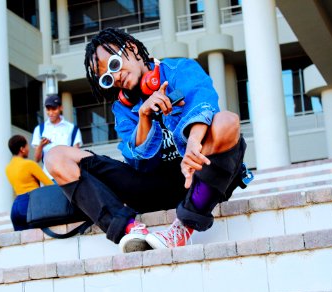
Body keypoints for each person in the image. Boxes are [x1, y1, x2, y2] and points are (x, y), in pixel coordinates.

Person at [44, 27, 252, 253]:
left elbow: (204, 104)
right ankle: (129, 230)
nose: (115, 77)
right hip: (152, 186)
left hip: (197, 175)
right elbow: (137, 163)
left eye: (114, 65)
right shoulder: (121, 109)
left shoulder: (179, 69)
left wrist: (193, 142)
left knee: (227, 121)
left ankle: (184, 225)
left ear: (132, 48)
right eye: (106, 78)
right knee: (55, 156)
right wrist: (144, 117)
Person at [5, 135, 54, 231]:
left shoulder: (8, 168)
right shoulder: (29, 164)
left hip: (16, 207)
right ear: (22, 149)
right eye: (27, 146)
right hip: (30, 203)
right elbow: (50, 185)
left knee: (23, 244)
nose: (28, 149)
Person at [31, 94, 83, 180]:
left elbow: (76, 155)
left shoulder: (72, 128)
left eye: (54, 109)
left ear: (61, 108)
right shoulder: (39, 129)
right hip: (48, 177)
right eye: (48, 109)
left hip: (68, 175)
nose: (50, 113)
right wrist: (41, 146)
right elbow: (36, 159)